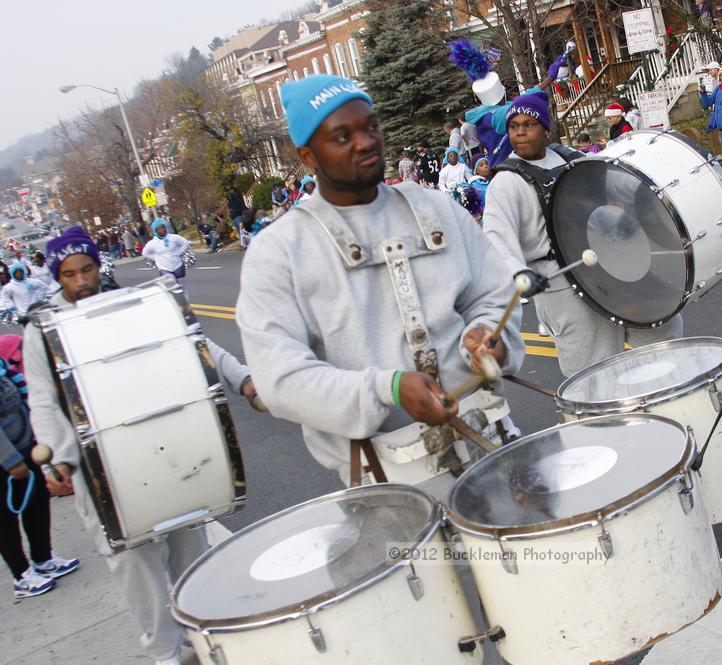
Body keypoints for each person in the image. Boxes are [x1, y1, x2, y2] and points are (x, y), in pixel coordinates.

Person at [236, 74, 525, 492]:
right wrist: (386, 389)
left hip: (493, 444)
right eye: (342, 136)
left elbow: (492, 293)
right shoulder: (278, 252)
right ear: (307, 155)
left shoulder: (436, 207)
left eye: (370, 126)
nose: (365, 141)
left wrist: (486, 334)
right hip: (387, 481)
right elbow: (280, 377)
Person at [24, 227, 258, 664]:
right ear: (58, 276)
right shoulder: (42, 328)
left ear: (98, 265)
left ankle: (202, 636)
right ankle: (165, 654)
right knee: (139, 571)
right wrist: (56, 459)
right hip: (101, 469)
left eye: (87, 269)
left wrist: (242, 378)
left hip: (164, 450)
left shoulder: (127, 304)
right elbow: (43, 400)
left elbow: (194, 344)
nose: (80, 282)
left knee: (192, 555)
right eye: (69, 274)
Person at [482, 89, 682, 378]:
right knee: (593, 371)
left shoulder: (570, 158)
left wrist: (646, 192)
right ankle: (599, 420)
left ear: (546, 128)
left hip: (606, 264)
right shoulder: (506, 182)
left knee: (658, 331)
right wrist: (517, 273)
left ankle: (664, 404)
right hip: (559, 282)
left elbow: (612, 184)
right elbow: (496, 238)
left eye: (529, 125)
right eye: (514, 127)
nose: (520, 133)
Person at [0, 341, 79, 599]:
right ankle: (21, 576)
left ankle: (43, 558)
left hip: (27, 447)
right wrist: (11, 461)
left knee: (37, 501)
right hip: (8, 460)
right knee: (5, 520)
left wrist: (38, 439)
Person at [450, 39, 567, 169]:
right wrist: (549, 78)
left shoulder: (488, 113)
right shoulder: (493, 116)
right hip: (506, 171)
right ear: (502, 92)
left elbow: (520, 100)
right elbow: (521, 102)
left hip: (511, 168)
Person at [142, 219, 192, 290]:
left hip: (178, 266)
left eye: (163, 227)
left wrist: (179, 252)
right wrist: (156, 258)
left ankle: (185, 299)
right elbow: (145, 253)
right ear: (155, 231)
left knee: (182, 288)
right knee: (172, 289)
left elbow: (185, 243)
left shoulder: (173, 237)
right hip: (164, 268)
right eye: (159, 228)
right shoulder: (153, 243)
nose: (162, 230)